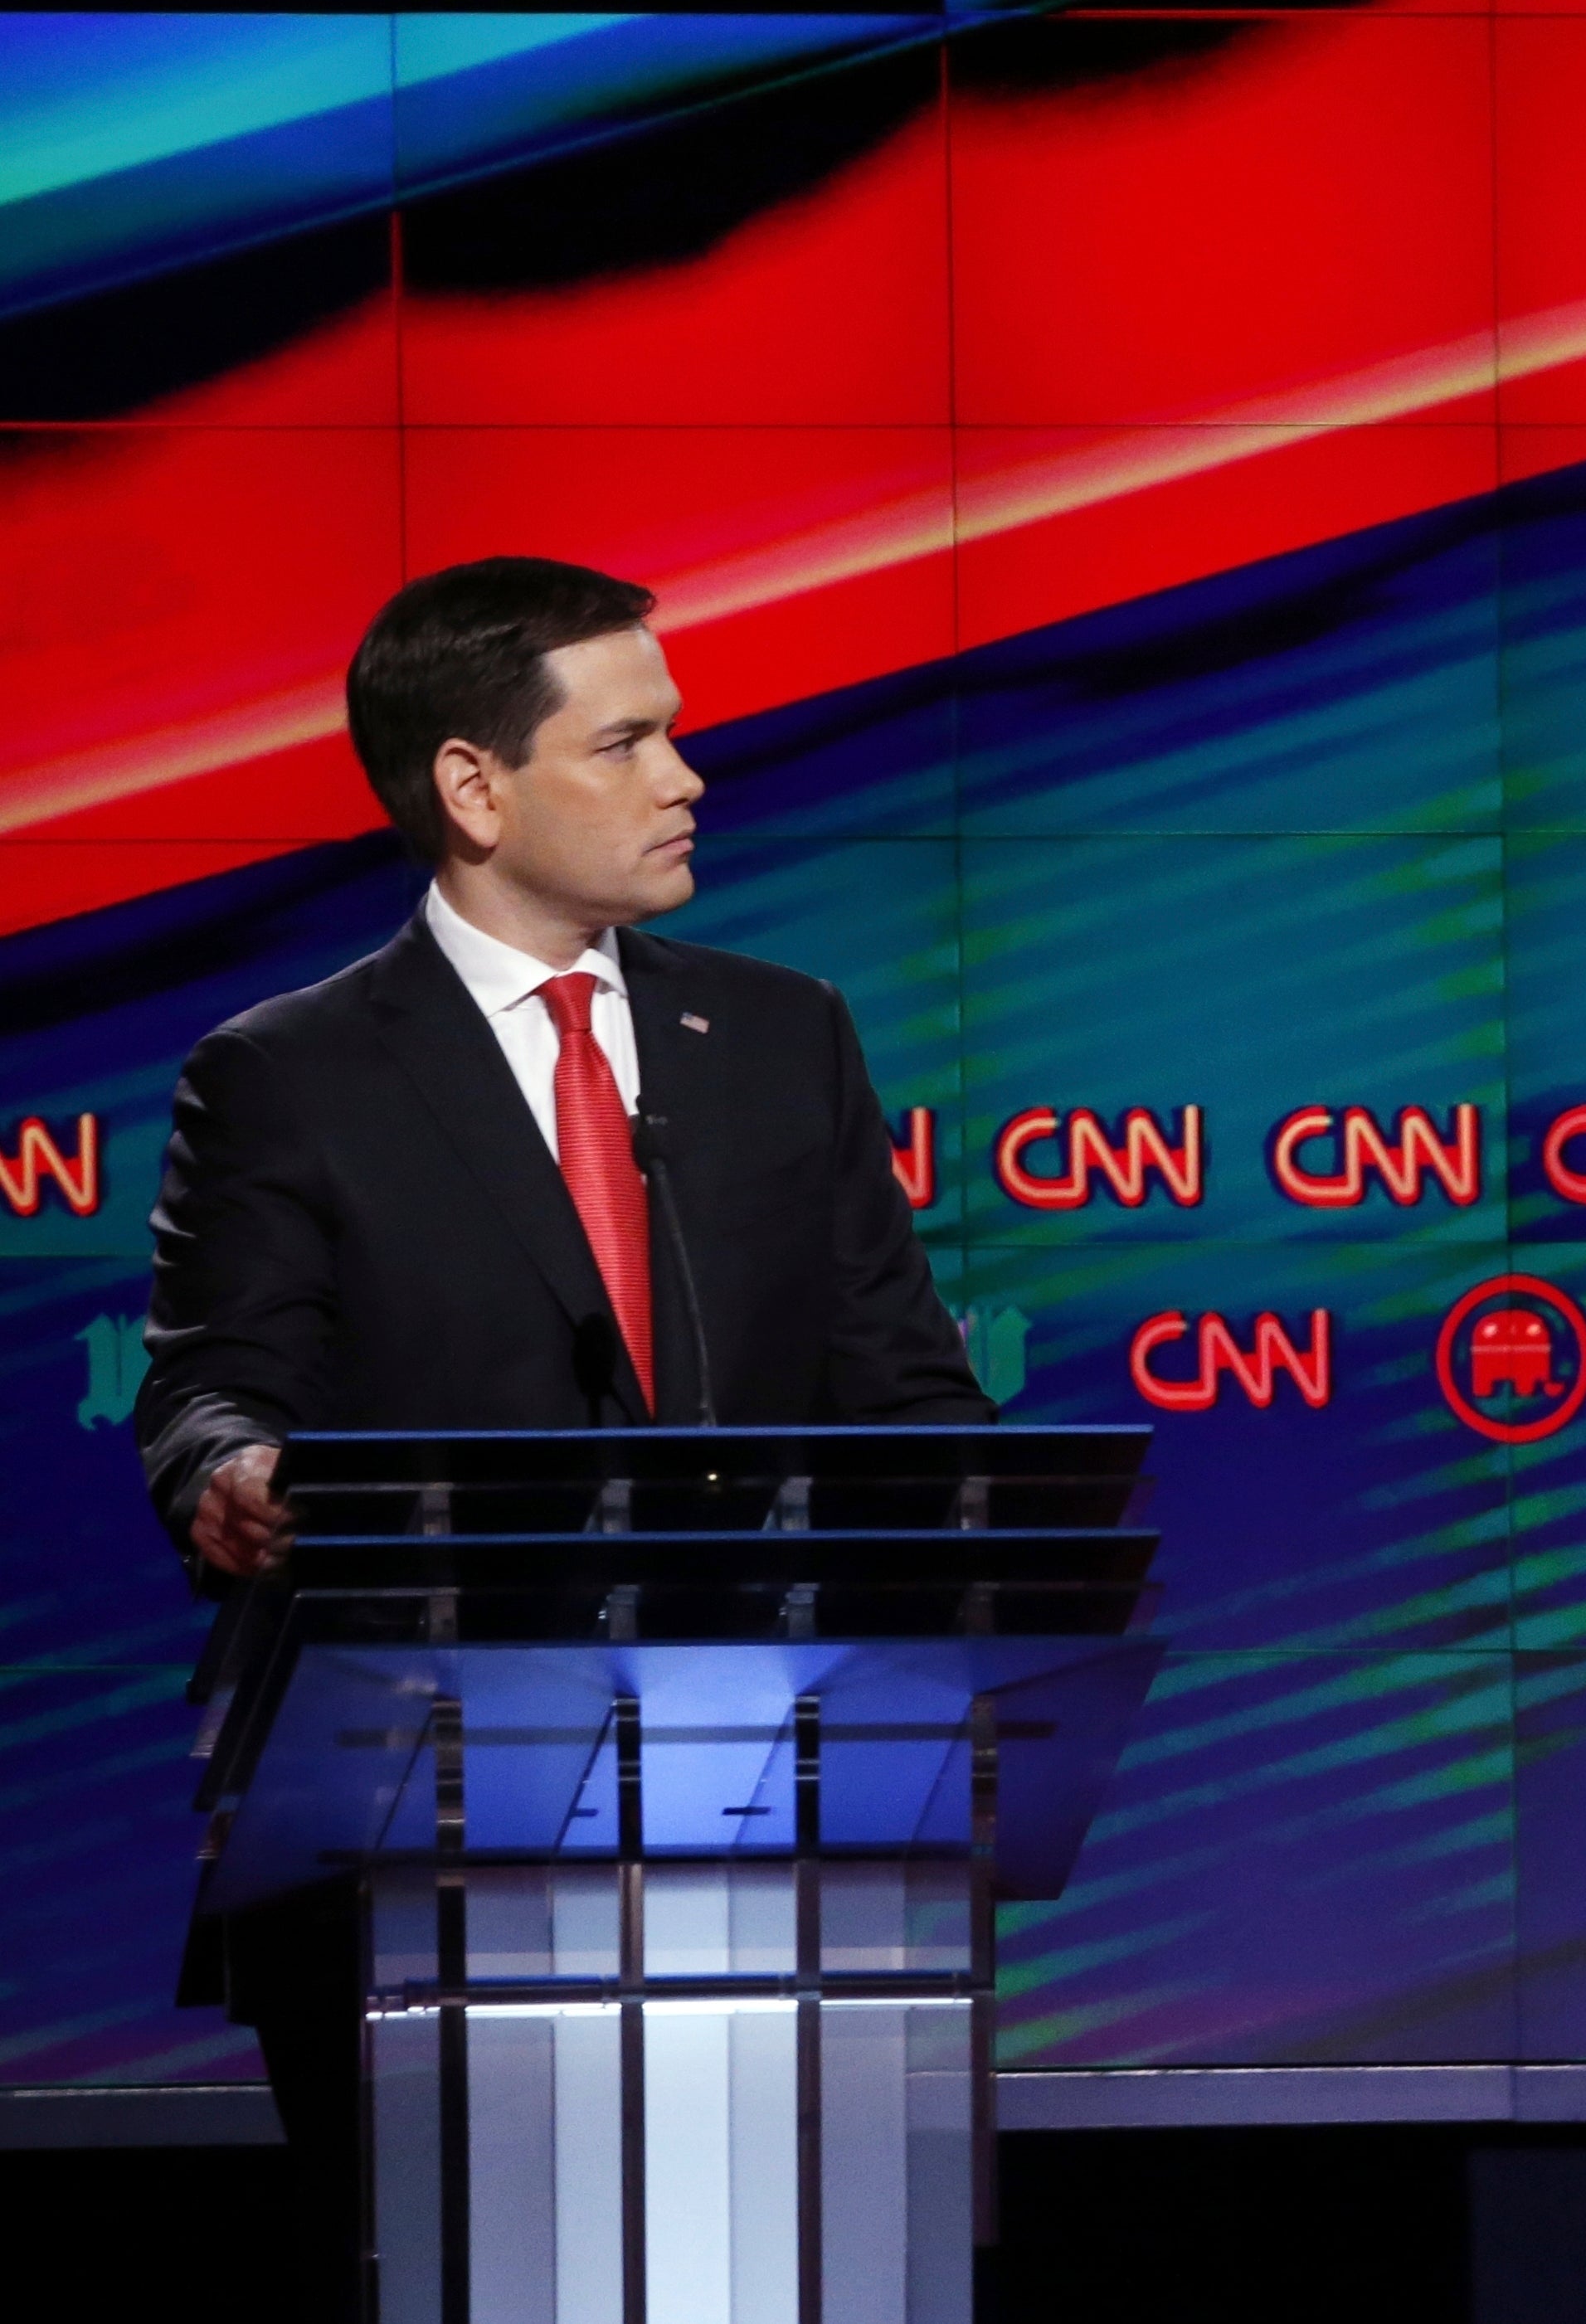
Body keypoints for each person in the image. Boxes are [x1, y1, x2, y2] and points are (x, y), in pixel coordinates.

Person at [134, 556, 990, 2319]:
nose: (689, 777)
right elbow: (218, 1384)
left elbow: (906, 1394)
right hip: (414, 1817)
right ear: (473, 786)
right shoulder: (286, 1072)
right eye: (632, 741)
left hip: (770, 1807)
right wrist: (232, 1480)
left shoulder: (774, 1034)